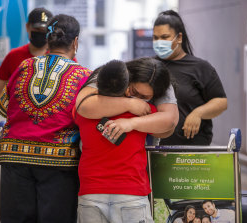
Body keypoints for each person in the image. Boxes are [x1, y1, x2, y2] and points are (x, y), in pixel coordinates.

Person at [0, 14, 90, 223]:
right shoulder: (84, 76)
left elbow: (3, 107)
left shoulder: (24, 66)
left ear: (48, 40)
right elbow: (87, 116)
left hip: (14, 157)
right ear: (75, 42)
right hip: (59, 162)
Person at [74, 58, 172, 223]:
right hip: (131, 193)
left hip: (90, 193)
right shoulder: (144, 111)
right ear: (127, 85)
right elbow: (168, 126)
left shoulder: (83, 113)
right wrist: (133, 119)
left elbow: (81, 106)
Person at [153, 10, 228, 145]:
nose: (159, 42)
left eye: (164, 37)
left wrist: (198, 113)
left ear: (179, 38)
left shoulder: (200, 67)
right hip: (154, 149)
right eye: (155, 38)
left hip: (192, 151)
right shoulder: (150, 67)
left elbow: (221, 102)